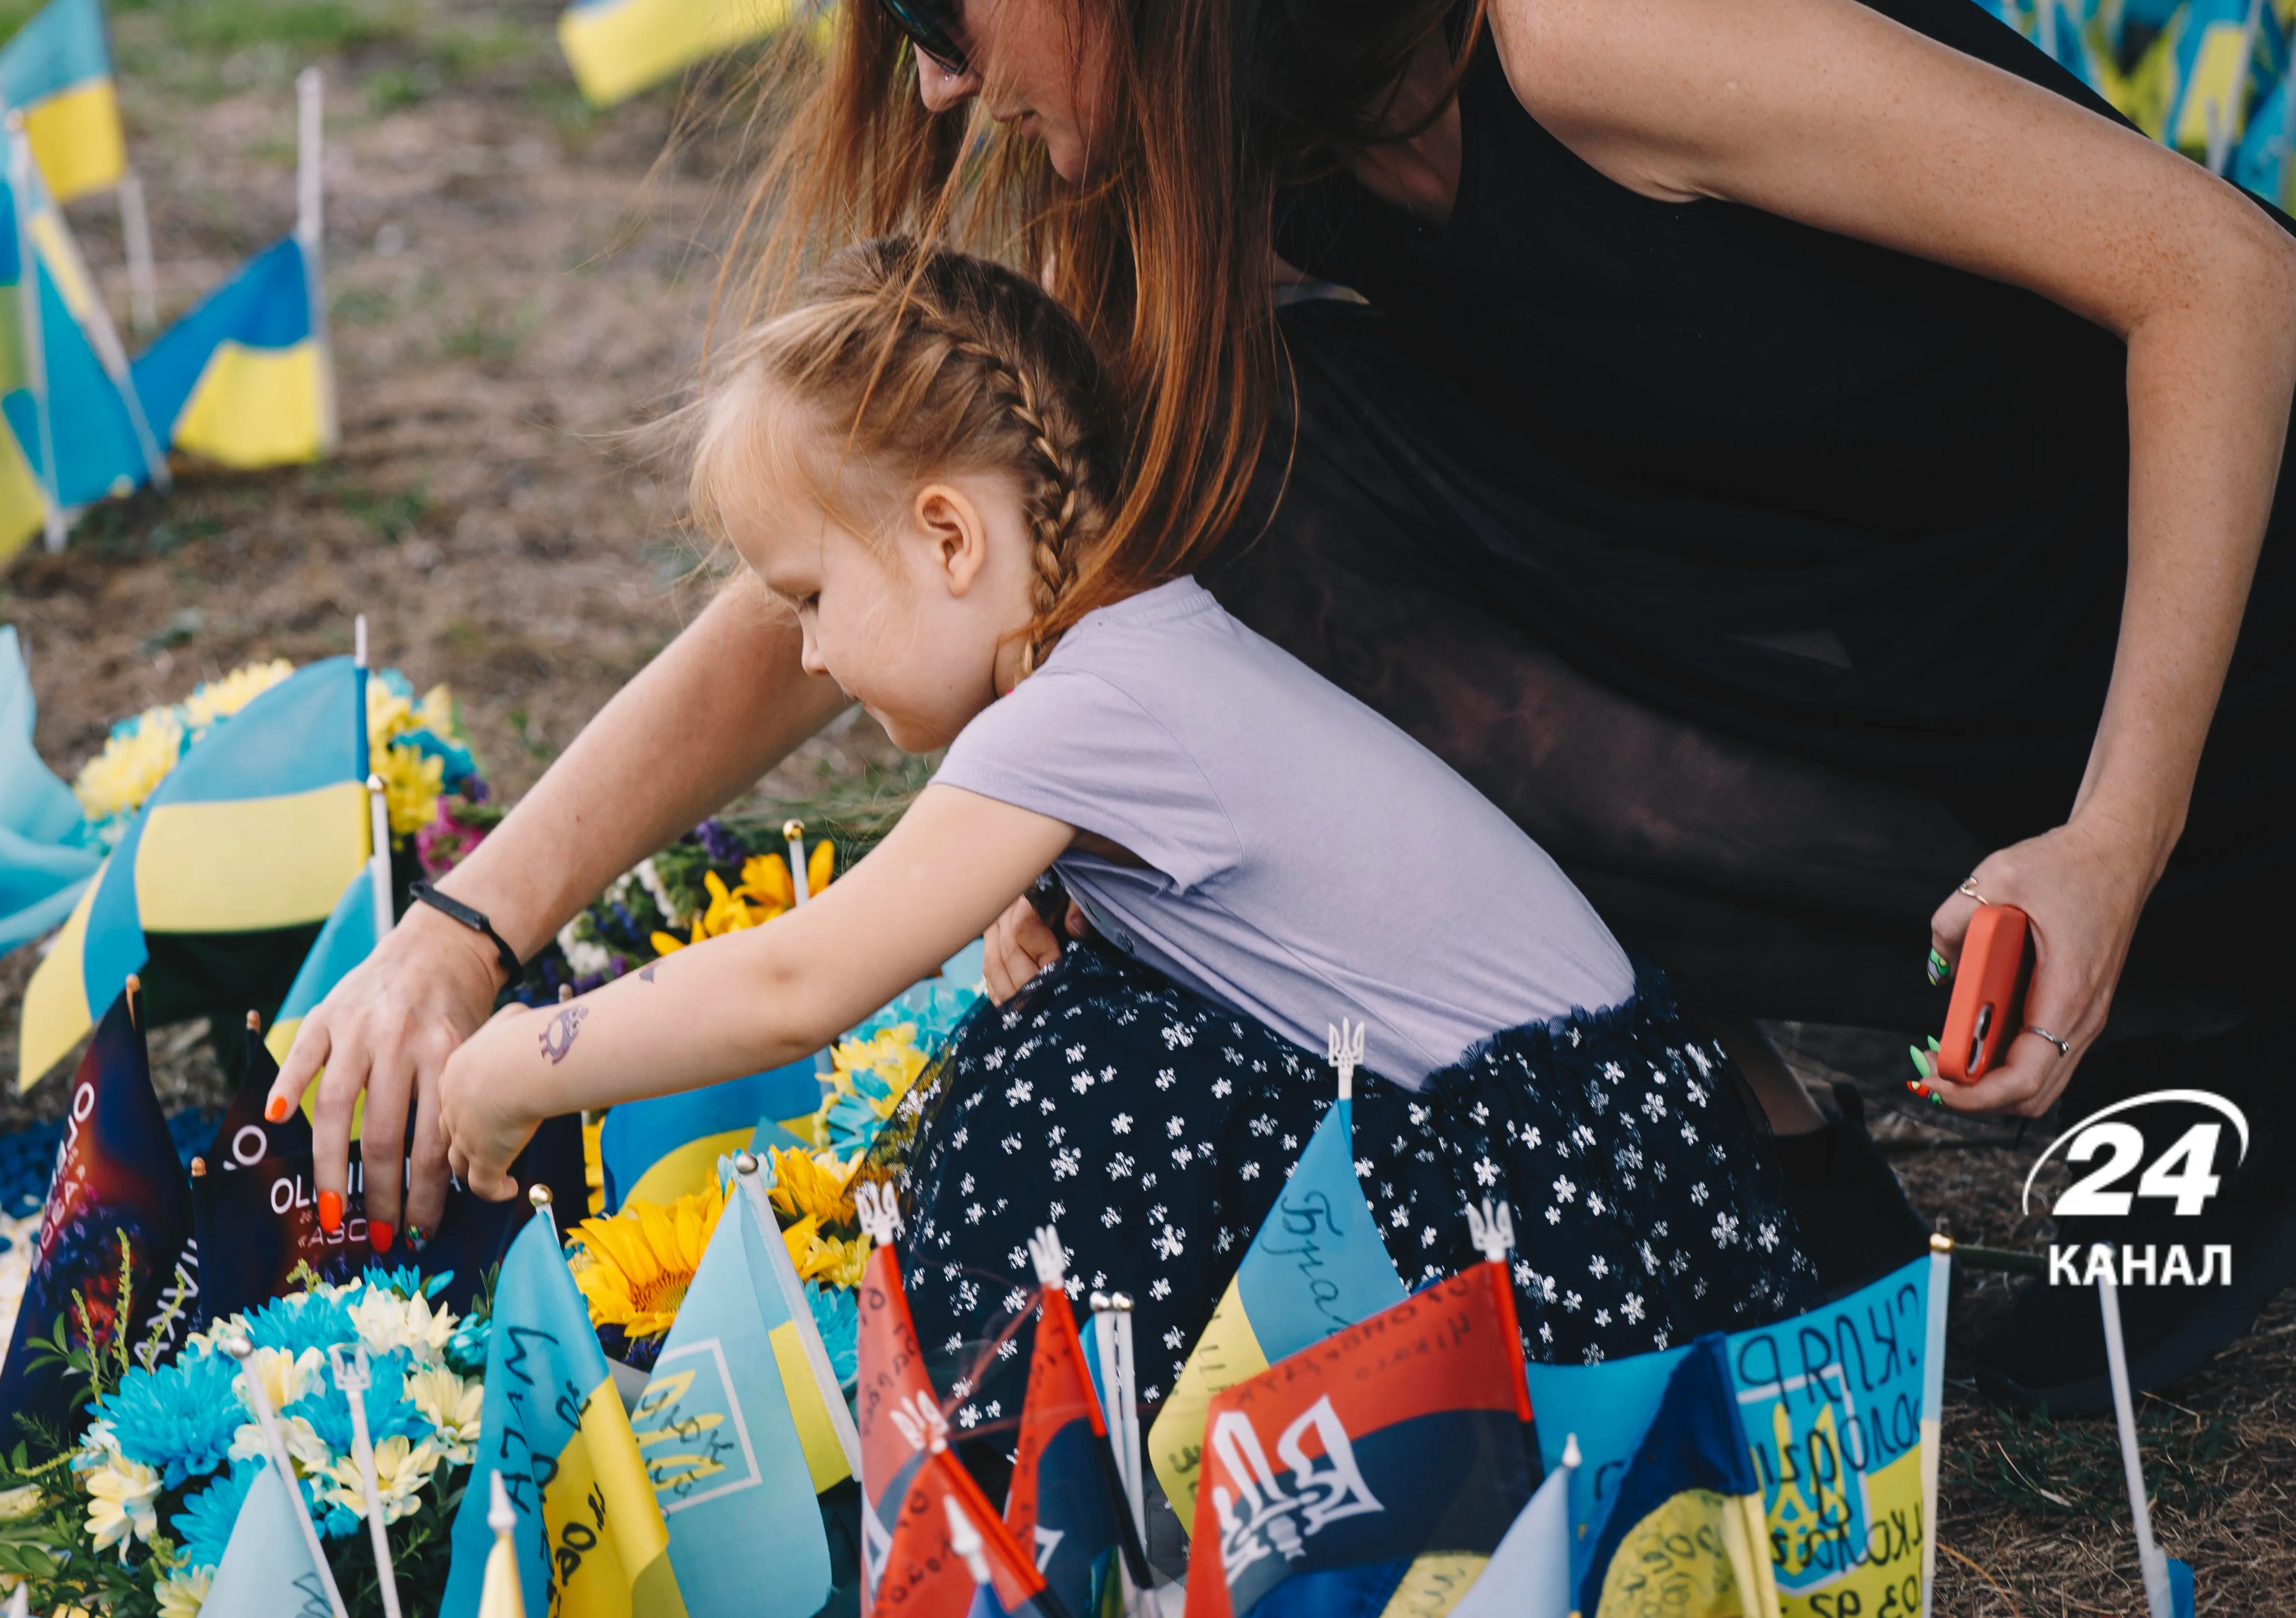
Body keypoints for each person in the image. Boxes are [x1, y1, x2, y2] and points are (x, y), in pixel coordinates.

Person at [272, 0, 2296, 1411]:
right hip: (1926, 668)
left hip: (2291, 651)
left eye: (937, 4)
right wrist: (477, 918)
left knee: (1249, 506)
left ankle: (2281, 997)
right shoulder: (1236, 191)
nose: (930, 83)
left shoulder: (1559, 1)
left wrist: (2115, 830)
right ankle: (1747, 1134)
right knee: (1185, 504)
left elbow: (2224, 276)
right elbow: (856, 541)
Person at [425, 242, 1817, 1418]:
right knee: (1086, 1035)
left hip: (1569, 1221)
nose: (804, 660)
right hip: (1626, 1174)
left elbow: (802, 984)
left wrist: (518, 1065)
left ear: (949, 538)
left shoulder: (1088, 712)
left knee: (1068, 1094)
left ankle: (1001, 1452)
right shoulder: (1137, 653)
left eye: (807, 597)